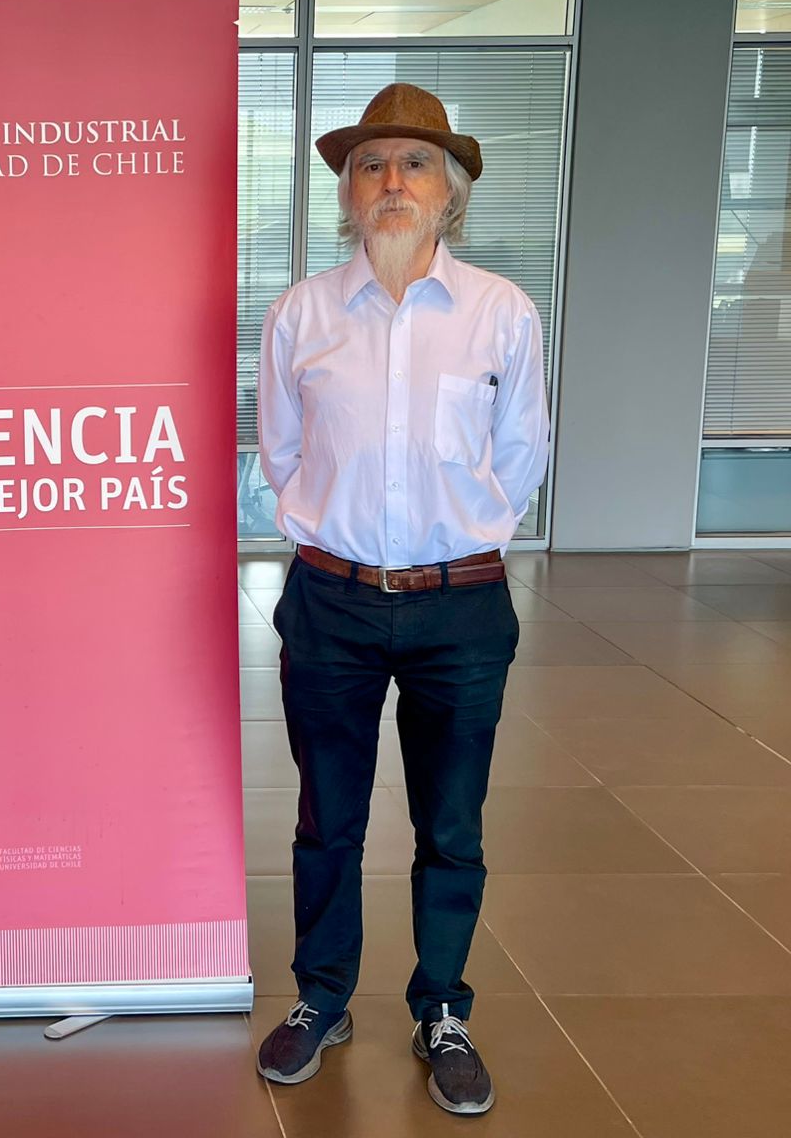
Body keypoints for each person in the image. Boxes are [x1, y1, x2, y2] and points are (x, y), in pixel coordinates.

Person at [254, 83, 549, 1116]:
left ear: (450, 193)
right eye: (371, 164)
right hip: (330, 602)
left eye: (415, 164)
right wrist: (335, 537)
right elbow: (281, 452)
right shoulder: (301, 313)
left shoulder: (501, 313)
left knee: (451, 823)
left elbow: (521, 457)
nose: (392, 181)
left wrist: (453, 541)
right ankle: (322, 996)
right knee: (326, 817)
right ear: (348, 191)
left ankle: (442, 1010)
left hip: (459, 608)